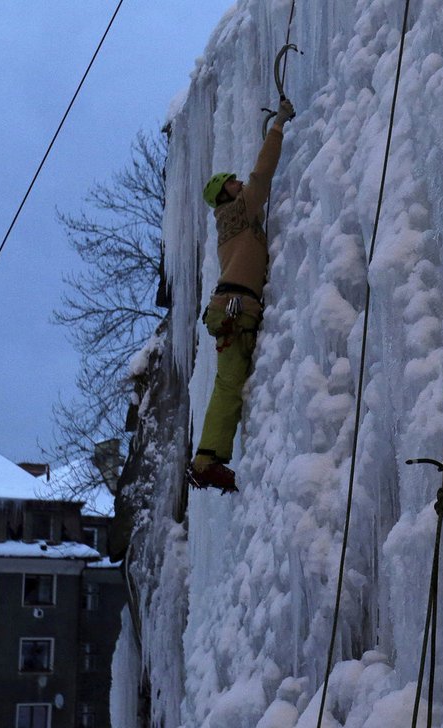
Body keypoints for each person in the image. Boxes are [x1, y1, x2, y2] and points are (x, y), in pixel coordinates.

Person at [190, 98, 295, 491]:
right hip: (234, 308)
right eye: (231, 182)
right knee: (229, 384)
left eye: (236, 180)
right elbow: (262, 175)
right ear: (225, 195)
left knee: (229, 384)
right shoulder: (236, 212)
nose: (239, 182)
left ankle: (208, 456)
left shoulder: (230, 222)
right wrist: (278, 126)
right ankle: (205, 460)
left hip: (231, 307)